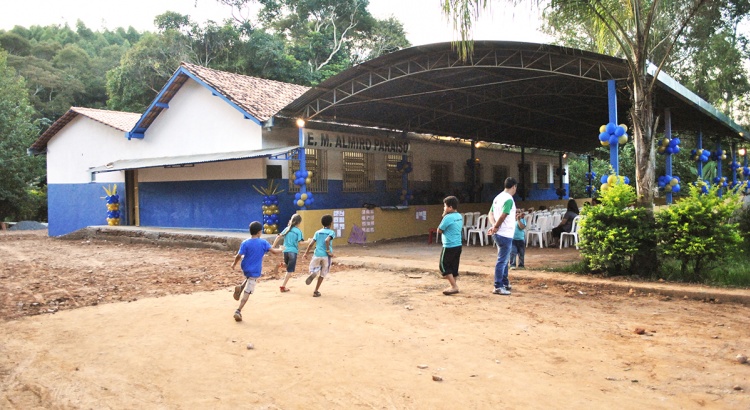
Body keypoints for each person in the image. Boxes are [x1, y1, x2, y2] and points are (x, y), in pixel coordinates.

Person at [230, 221, 283, 322]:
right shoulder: (263, 243)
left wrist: (234, 264)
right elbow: (274, 252)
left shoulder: (245, 242)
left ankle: (241, 287)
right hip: (255, 270)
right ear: (259, 232)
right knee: (248, 291)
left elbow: (239, 255)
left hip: (245, 267)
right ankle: (238, 310)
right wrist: (281, 249)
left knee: (249, 278)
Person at [487, 177, 517, 295]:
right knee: (502, 260)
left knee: (504, 259)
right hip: (505, 233)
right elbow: (504, 215)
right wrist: (496, 226)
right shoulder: (508, 199)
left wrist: (494, 225)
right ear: (514, 186)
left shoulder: (497, 198)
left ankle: (504, 282)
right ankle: (498, 285)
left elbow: (490, 213)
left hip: (499, 233)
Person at [302, 214, 336, 297]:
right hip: (326, 256)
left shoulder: (317, 232)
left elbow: (311, 244)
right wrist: (328, 251)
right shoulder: (331, 232)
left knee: (313, 268)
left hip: (317, 254)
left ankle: (313, 273)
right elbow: (327, 240)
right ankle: (316, 291)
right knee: (323, 274)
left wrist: (306, 253)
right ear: (331, 223)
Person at [272, 214, 305, 293]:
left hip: (285, 251)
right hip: (293, 251)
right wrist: (309, 241)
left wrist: (273, 246)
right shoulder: (298, 231)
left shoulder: (287, 229)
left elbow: (278, 236)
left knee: (287, 265)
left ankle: (280, 264)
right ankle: (283, 286)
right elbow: (301, 243)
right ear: (299, 222)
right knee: (290, 270)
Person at [437, 196, 463, 295]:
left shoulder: (448, 217)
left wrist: (444, 215)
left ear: (450, 207)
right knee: (454, 266)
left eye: (445, 206)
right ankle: (453, 284)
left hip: (449, 245)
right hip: (458, 244)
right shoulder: (459, 216)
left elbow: (439, 230)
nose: (444, 208)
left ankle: (454, 286)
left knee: (443, 265)